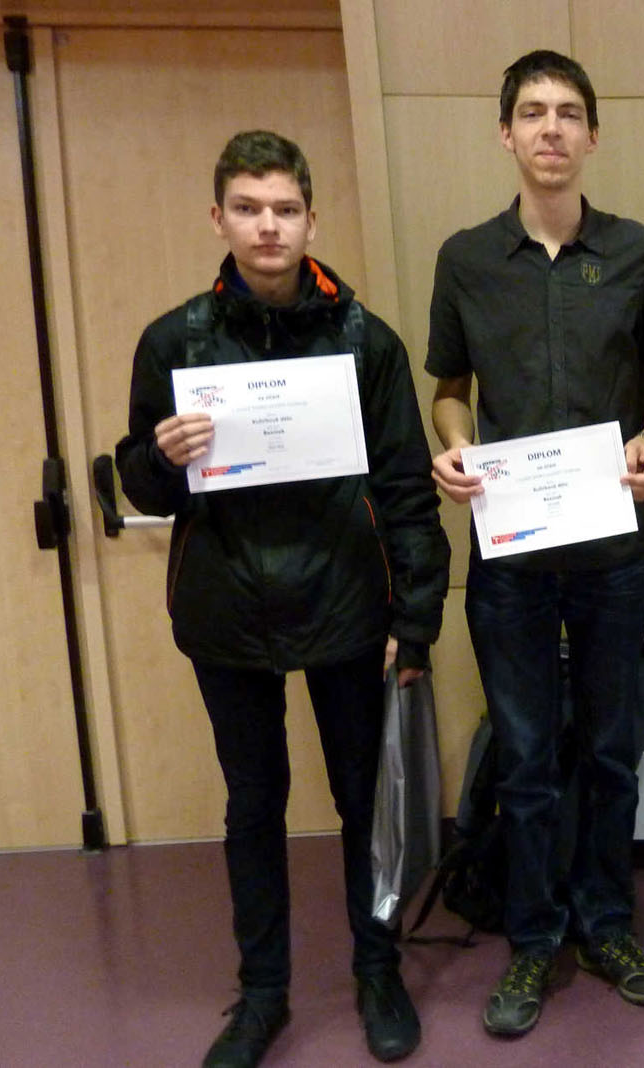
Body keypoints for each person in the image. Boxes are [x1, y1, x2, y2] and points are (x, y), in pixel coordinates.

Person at [115, 130, 449, 1068]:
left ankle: (376, 969)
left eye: (286, 209)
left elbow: (407, 490)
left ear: (311, 219)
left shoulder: (366, 340)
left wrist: (417, 619)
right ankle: (262, 995)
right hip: (227, 611)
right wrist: (160, 458)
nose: (269, 226)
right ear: (218, 218)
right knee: (253, 806)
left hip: (348, 607)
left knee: (363, 802)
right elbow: (140, 482)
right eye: (249, 209)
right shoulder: (175, 340)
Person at [425, 50, 644, 1038]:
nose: (551, 128)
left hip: (614, 550)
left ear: (591, 135)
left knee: (613, 750)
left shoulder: (636, 253)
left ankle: (609, 924)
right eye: (533, 112)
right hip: (510, 554)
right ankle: (534, 939)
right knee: (527, 755)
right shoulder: (465, 258)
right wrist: (455, 451)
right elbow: (449, 392)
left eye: (568, 112)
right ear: (506, 133)